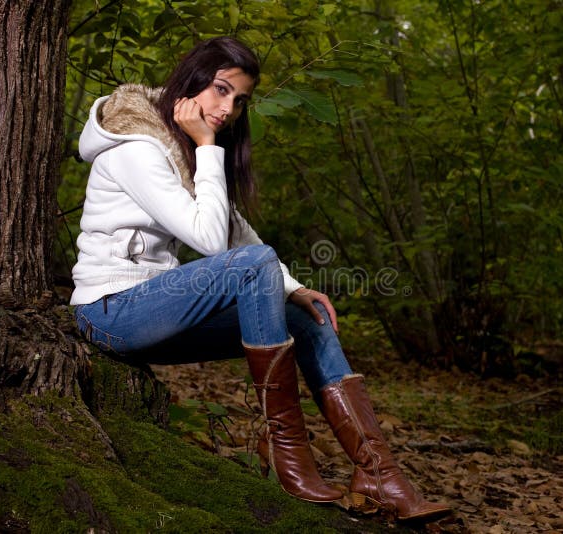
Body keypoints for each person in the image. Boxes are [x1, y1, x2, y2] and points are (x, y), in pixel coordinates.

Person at [70, 36, 450, 522]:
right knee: (254, 266)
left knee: (305, 318)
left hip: (157, 314)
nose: (228, 109)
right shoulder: (136, 149)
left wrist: (294, 288)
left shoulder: (179, 147)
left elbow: (235, 233)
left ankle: (379, 471)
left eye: (239, 100)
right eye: (221, 90)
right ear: (192, 81)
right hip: (109, 312)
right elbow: (211, 242)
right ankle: (290, 456)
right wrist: (208, 148)